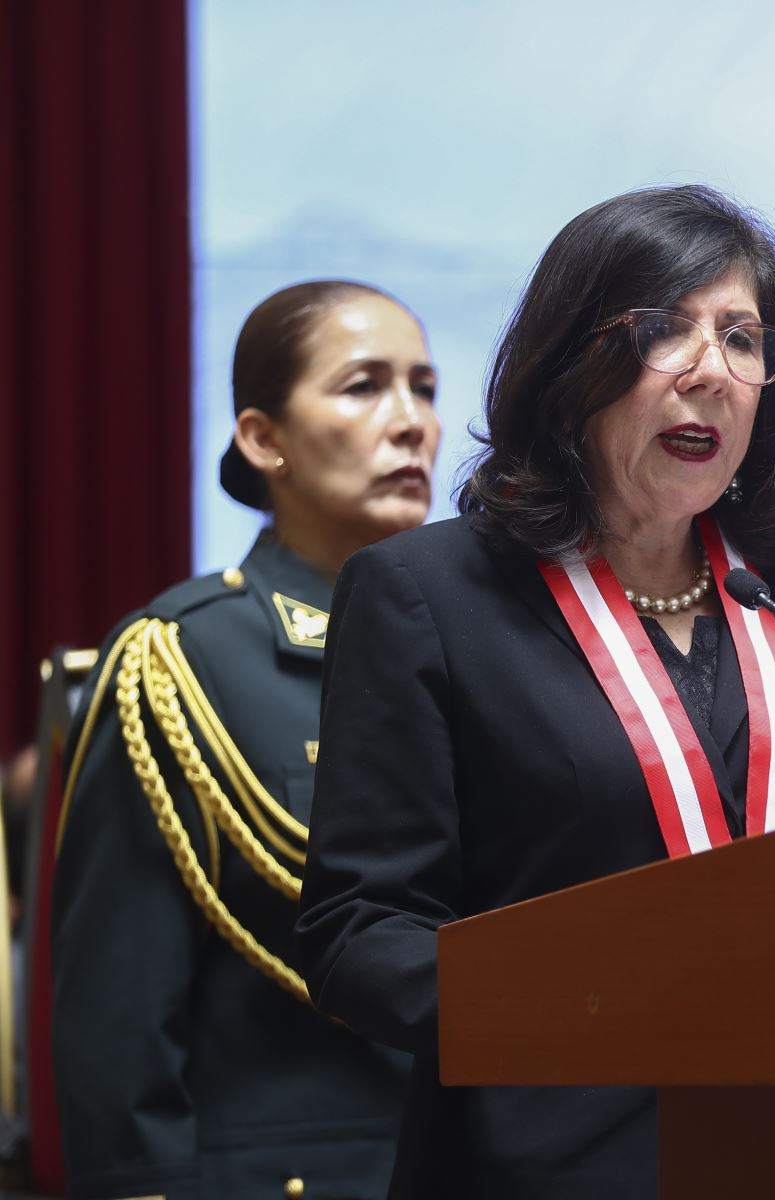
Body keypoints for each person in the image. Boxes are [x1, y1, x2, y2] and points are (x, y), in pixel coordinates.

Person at [295, 185, 775, 1198]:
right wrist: (593, 999)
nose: (713, 373)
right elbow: (360, 935)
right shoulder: (425, 595)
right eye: (667, 330)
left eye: (744, 339)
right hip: (544, 1162)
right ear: (571, 361)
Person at [52, 280, 441, 1199]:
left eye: (423, 387)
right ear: (264, 438)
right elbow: (121, 1009)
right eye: (363, 386)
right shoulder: (182, 661)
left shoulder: (472, 648)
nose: (410, 421)